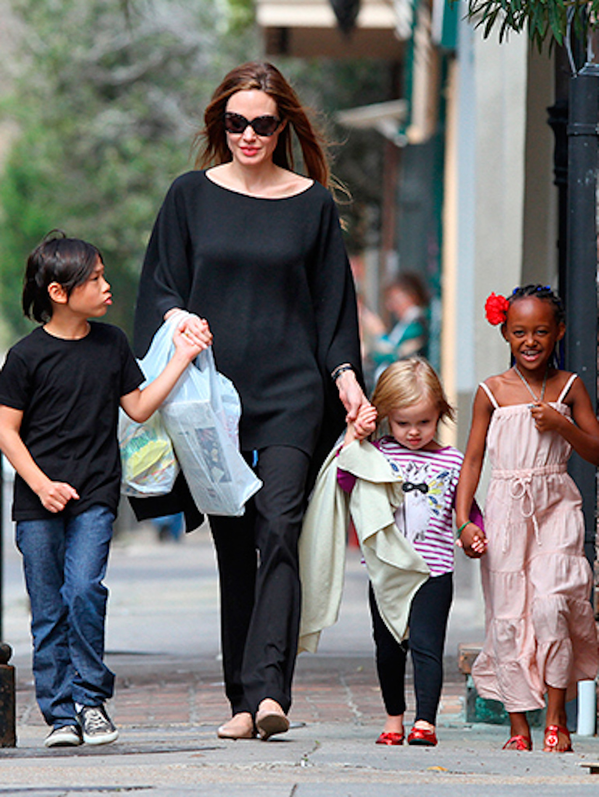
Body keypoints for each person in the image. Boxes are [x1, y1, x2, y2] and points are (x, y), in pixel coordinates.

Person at [132, 61, 367, 741]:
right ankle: (240, 699)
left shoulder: (312, 203)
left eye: (263, 123)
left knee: (279, 527)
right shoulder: (188, 196)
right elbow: (161, 288)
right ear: (220, 124)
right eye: (236, 122)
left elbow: (333, 312)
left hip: (293, 390)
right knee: (234, 546)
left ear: (282, 125)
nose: (248, 134)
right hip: (213, 399)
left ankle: (271, 692)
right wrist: (178, 321)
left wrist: (347, 381)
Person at [0, 234, 209, 748]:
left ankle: (91, 701)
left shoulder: (112, 343)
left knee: (85, 591)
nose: (105, 285)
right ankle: (60, 715)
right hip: (38, 501)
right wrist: (41, 485)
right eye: (93, 278)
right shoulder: (25, 356)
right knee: (48, 608)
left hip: (95, 493)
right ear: (59, 291)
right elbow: (5, 430)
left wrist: (180, 358)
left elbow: (138, 407)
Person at [455, 284, 599, 753]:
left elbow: (596, 451)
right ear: (506, 334)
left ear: (558, 332)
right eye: (520, 332)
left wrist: (562, 425)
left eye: (541, 331)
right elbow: (473, 460)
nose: (530, 341)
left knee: (552, 604)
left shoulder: (571, 387)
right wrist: (464, 520)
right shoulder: (490, 392)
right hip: (505, 511)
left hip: (556, 502)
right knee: (509, 613)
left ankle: (556, 716)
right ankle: (520, 726)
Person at [337, 358, 482, 747]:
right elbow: (345, 477)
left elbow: (467, 508)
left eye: (424, 422)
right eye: (402, 423)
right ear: (385, 418)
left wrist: (474, 533)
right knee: (387, 648)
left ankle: (425, 722)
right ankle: (393, 718)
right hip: (387, 573)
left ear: (441, 415)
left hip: (434, 571)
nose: (414, 432)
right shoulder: (377, 453)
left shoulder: (451, 461)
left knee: (426, 645)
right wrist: (356, 434)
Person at [361, 272, 429, 387]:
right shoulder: (405, 324)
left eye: (393, 299)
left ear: (409, 296)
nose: (390, 306)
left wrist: (379, 333)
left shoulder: (417, 324)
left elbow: (397, 355)